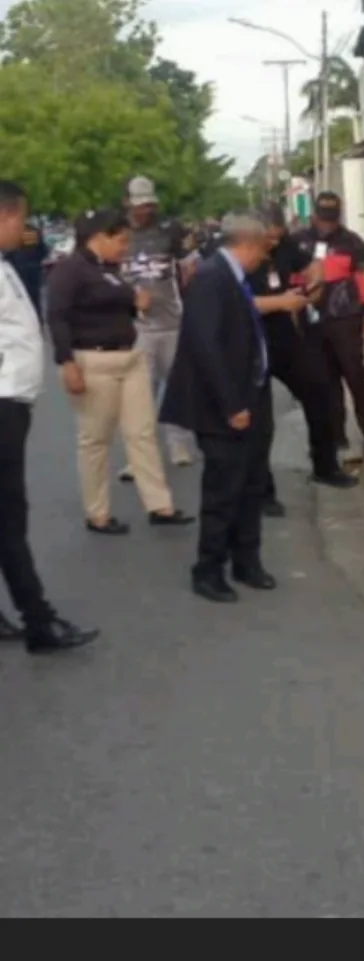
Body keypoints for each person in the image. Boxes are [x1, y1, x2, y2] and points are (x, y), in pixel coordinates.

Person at [47, 208, 193, 535]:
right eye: (121, 241)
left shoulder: (111, 270)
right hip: (93, 359)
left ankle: (160, 505)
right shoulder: (70, 271)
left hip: (129, 357)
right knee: (96, 440)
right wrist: (66, 362)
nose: (125, 248)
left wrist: (136, 304)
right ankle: (97, 512)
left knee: (142, 432)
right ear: (100, 237)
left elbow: (121, 303)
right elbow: (57, 317)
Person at [0, 180, 98, 653]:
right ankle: (38, 620)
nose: (24, 228)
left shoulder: (6, 264)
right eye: (21, 219)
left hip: (13, 401)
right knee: (8, 516)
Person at [160, 211, 278, 603]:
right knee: (224, 490)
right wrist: (232, 404)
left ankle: (247, 560)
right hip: (223, 406)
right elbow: (206, 346)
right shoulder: (212, 279)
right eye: (262, 249)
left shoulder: (235, 278)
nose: (264, 257)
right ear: (248, 244)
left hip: (251, 395)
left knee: (251, 485)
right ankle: (208, 570)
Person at [250, 203, 358, 516]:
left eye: (277, 237)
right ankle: (261, 492)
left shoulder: (287, 246)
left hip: (285, 335)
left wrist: (315, 276)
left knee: (320, 391)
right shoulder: (236, 254)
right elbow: (236, 302)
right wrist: (280, 302)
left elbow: (311, 263)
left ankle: (325, 466)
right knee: (259, 421)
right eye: (268, 238)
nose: (273, 244)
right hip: (250, 342)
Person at [295, 191, 364, 459]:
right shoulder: (299, 242)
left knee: (355, 375)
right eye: (323, 219)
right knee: (326, 380)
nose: (327, 225)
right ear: (314, 215)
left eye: (332, 220)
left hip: (346, 319)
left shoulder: (352, 243)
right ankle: (337, 435)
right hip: (311, 320)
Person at [118, 175, 198, 474]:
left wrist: (189, 282)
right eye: (140, 205)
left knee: (177, 387)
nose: (145, 211)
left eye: (149, 205)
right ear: (128, 204)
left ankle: (179, 443)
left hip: (172, 321)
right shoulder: (119, 234)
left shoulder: (169, 232)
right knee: (139, 395)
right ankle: (138, 456)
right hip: (136, 328)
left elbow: (190, 265)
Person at [7, 215, 48, 320]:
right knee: (35, 301)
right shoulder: (34, 231)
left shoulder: (13, 233)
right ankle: (37, 320)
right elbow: (44, 251)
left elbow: (8, 254)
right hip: (34, 272)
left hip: (18, 271)